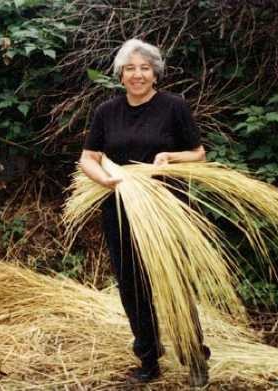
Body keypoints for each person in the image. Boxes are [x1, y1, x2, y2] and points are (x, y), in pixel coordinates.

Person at [79, 38, 210, 387]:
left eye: (145, 68)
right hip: (120, 207)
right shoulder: (106, 112)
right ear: (121, 75)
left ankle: (195, 355)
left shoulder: (174, 107)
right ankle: (149, 359)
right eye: (130, 68)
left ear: (155, 74)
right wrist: (106, 180)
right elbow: (87, 158)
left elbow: (198, 154)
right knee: (132, 286)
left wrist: (170, 158)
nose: (137, 74)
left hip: (166, 207)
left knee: (175, 281)